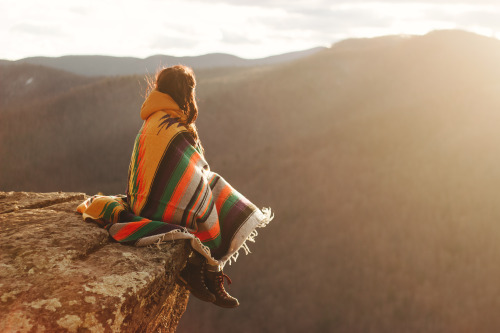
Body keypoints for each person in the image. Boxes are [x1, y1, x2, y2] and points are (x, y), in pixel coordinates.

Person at [77, 65, 273, 308]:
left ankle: (209, 271)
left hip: (142, 202)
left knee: (206, 188)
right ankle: (205, 267)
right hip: (155, 209)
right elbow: (196, 176)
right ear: (186, 93)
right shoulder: (174, 127)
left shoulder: (153, 119)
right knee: (213, 189)